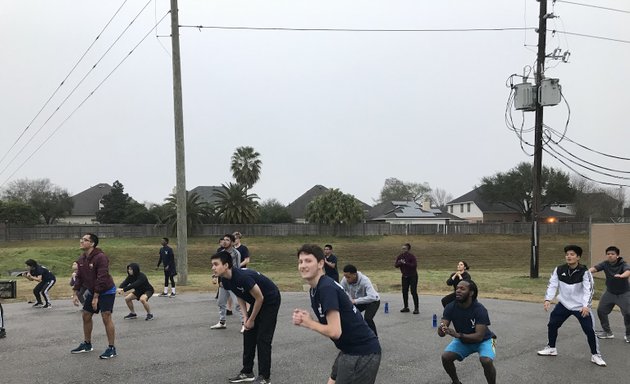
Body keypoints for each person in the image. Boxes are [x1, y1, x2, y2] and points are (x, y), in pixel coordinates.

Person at [293, 244, 381, 384]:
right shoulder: (315, 289)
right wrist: (311, 320)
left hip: (362, 353)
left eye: (308, 261)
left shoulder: (326, 287)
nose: (303, 265)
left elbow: (335, 331)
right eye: (300, 261)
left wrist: (309, 323)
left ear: (321, 263)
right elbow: (331, 326)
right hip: (348, 350)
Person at [211, 251, 281, 384]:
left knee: (263, 338)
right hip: (257, 300)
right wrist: (245, 318)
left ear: (226, 265)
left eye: (215, 264)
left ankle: (264, 378)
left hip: (270, 299)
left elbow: (260, 298)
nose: (213, 267)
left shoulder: (242, 277)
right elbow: (239, 295)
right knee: (248, 333)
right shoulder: (226, 280)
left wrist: (252, 319)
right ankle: (247, 371)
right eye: (212, 264)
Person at [537, 245, 606, 367]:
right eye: (567, 254)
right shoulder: (559, 269)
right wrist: (548, 299)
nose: (569, 256)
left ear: (578, 257)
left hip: (580, 306)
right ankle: (551, 348)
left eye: (572, 254)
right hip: (564, 304)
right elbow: (552, 284)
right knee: (552, 324)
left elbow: (588, 290)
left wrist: (586, 305)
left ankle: (596, 355)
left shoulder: (585, 272)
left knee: (589, 330)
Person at [438, 280, 497, 384]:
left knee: (486, 361)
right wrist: (442, 329)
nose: (458, 291)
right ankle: (456, 382)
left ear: (471, 293)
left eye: (462, 289)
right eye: (457, 288)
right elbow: (442, 331)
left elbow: (479, 336)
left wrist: (458, 335)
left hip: (484, 340)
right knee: (446, 357)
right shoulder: (450, 307)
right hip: (463, 340)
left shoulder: (479, 309)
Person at [70, 233, 118, 359]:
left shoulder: (101, 257)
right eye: (81, 239)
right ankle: (87, 344)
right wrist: (75, 293)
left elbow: (101, 277)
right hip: (93, 290)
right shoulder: (82, 259)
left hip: (106, 290)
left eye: (85, 240)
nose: (81, 241)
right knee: (86, 315)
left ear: (92, 244)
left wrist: (96, 297)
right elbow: (79, 278)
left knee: (106, 316)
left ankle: (111, 348)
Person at [589, 246, 630, 342]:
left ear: (617, 255)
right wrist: (586, 272)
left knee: (628, 313)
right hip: (610, 292)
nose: (610, 256)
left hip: (624, 293)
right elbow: (595, 268)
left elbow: (628, 271)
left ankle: (628, 335)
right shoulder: (605, 264)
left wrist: (621, 276)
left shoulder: (623, 264)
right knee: (601, 311)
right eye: (608, 254)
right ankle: (607, 332)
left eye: (612, 254)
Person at [211, 234, 244, 331]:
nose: (224, 241)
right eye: (224, 239)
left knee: (238, 304)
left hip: (233, 281)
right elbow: (218, 267)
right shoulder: (221, 252)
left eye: (227, 240)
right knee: (221, 302)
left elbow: (237, 268)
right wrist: (216, 278)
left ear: (232, 242)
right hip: (223, 282)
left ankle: (244, 323)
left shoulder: (236, 253)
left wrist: (236, 282)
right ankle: (222, 322)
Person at [340, 264, 381, 336]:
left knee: (368, 319)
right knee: (348, 315)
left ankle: (374, 338)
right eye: (345, 276)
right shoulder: (345, 280)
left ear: (354, 275)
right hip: (359, 301)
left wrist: (355, 301)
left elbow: (372, 296)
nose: (346, 279)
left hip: (373, 301)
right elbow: (341, 291)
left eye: (348, 277)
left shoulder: (365, 280)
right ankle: (354, 336)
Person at [394, 243, 419, 314]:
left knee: (413, 291)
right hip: (404, 276)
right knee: (404, 291)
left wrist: (405, 263)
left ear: (408, 249)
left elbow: (414, 265)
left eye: (404, 248)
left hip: (413, 276)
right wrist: (400, 263)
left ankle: (416, 308)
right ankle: (406, 307)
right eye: (402, 248)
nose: (403, 250)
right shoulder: (400, 256)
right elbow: (396, 265)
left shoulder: (412, 256)